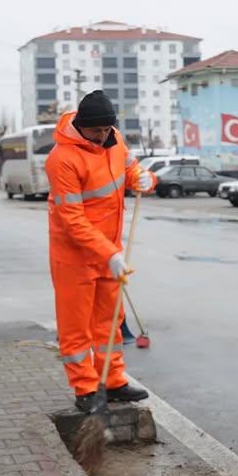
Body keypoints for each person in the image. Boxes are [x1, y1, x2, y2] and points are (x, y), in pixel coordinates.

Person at [46, 90, 156, 415]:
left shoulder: (115, 140)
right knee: (76, 326)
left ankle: (113, 381)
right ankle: (86, 389)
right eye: (97, 131)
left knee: (109, 322)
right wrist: (108, 253)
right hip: (74, 256)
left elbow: (130, 167)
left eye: (108, 130)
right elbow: (71, 219)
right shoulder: (62, 159)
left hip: (110, 250)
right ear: (81, 125)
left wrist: (145, 179)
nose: (103, 136)